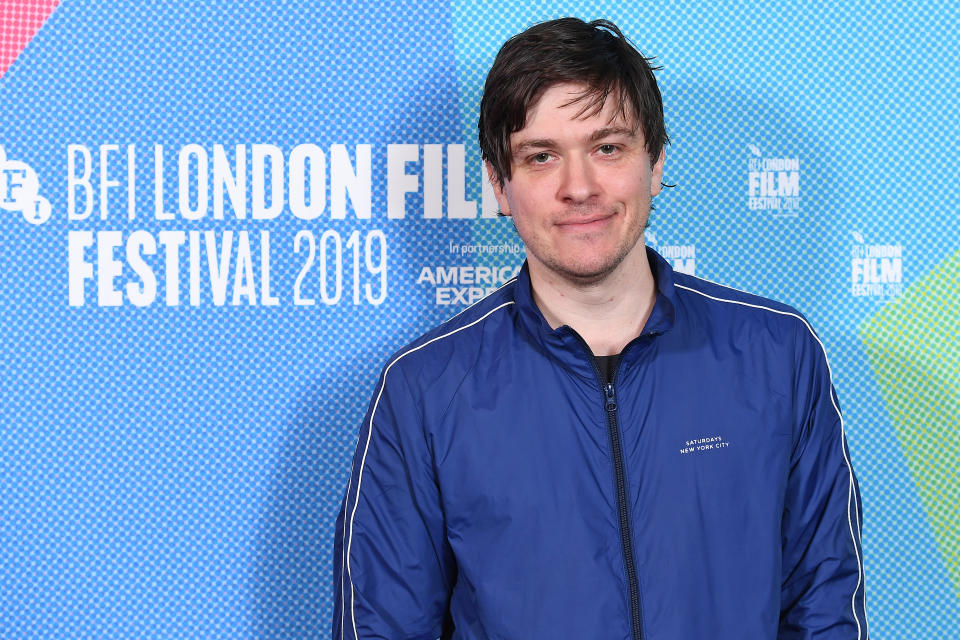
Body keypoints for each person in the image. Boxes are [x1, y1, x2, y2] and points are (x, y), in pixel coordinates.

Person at [333, 17, 869, 640]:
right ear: (499, 185)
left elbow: (824, 608)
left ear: (656, 162)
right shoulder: (424, 390)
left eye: (608, 148)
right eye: (541, 156)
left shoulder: (777, 355)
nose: (579, 187)